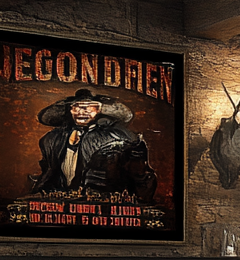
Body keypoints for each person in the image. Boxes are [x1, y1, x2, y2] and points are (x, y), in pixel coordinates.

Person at [29, 87, 157, 203]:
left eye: (89, 107)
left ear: (99, 110)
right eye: (77, 107)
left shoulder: (117, 136)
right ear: (71, 110)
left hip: (103, 206)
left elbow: (140, 176)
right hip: (64, 205)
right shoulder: (54, 139)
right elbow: (50, 172)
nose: (82, 111)